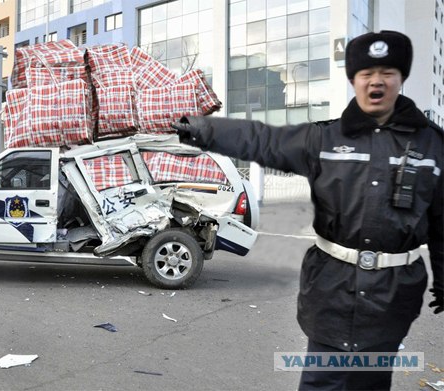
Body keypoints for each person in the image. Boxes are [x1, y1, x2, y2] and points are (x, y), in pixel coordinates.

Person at [173, 30, 442, 390]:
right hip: (331, 287)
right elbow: (263, 139)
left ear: (401, 78)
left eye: (387, 73)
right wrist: (203, 128)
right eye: (366, 74)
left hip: (393, 295)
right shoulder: (324, 139)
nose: (377, 81)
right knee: (323, 382)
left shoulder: (431, 145)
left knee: (371, 383)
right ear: (353, 80)